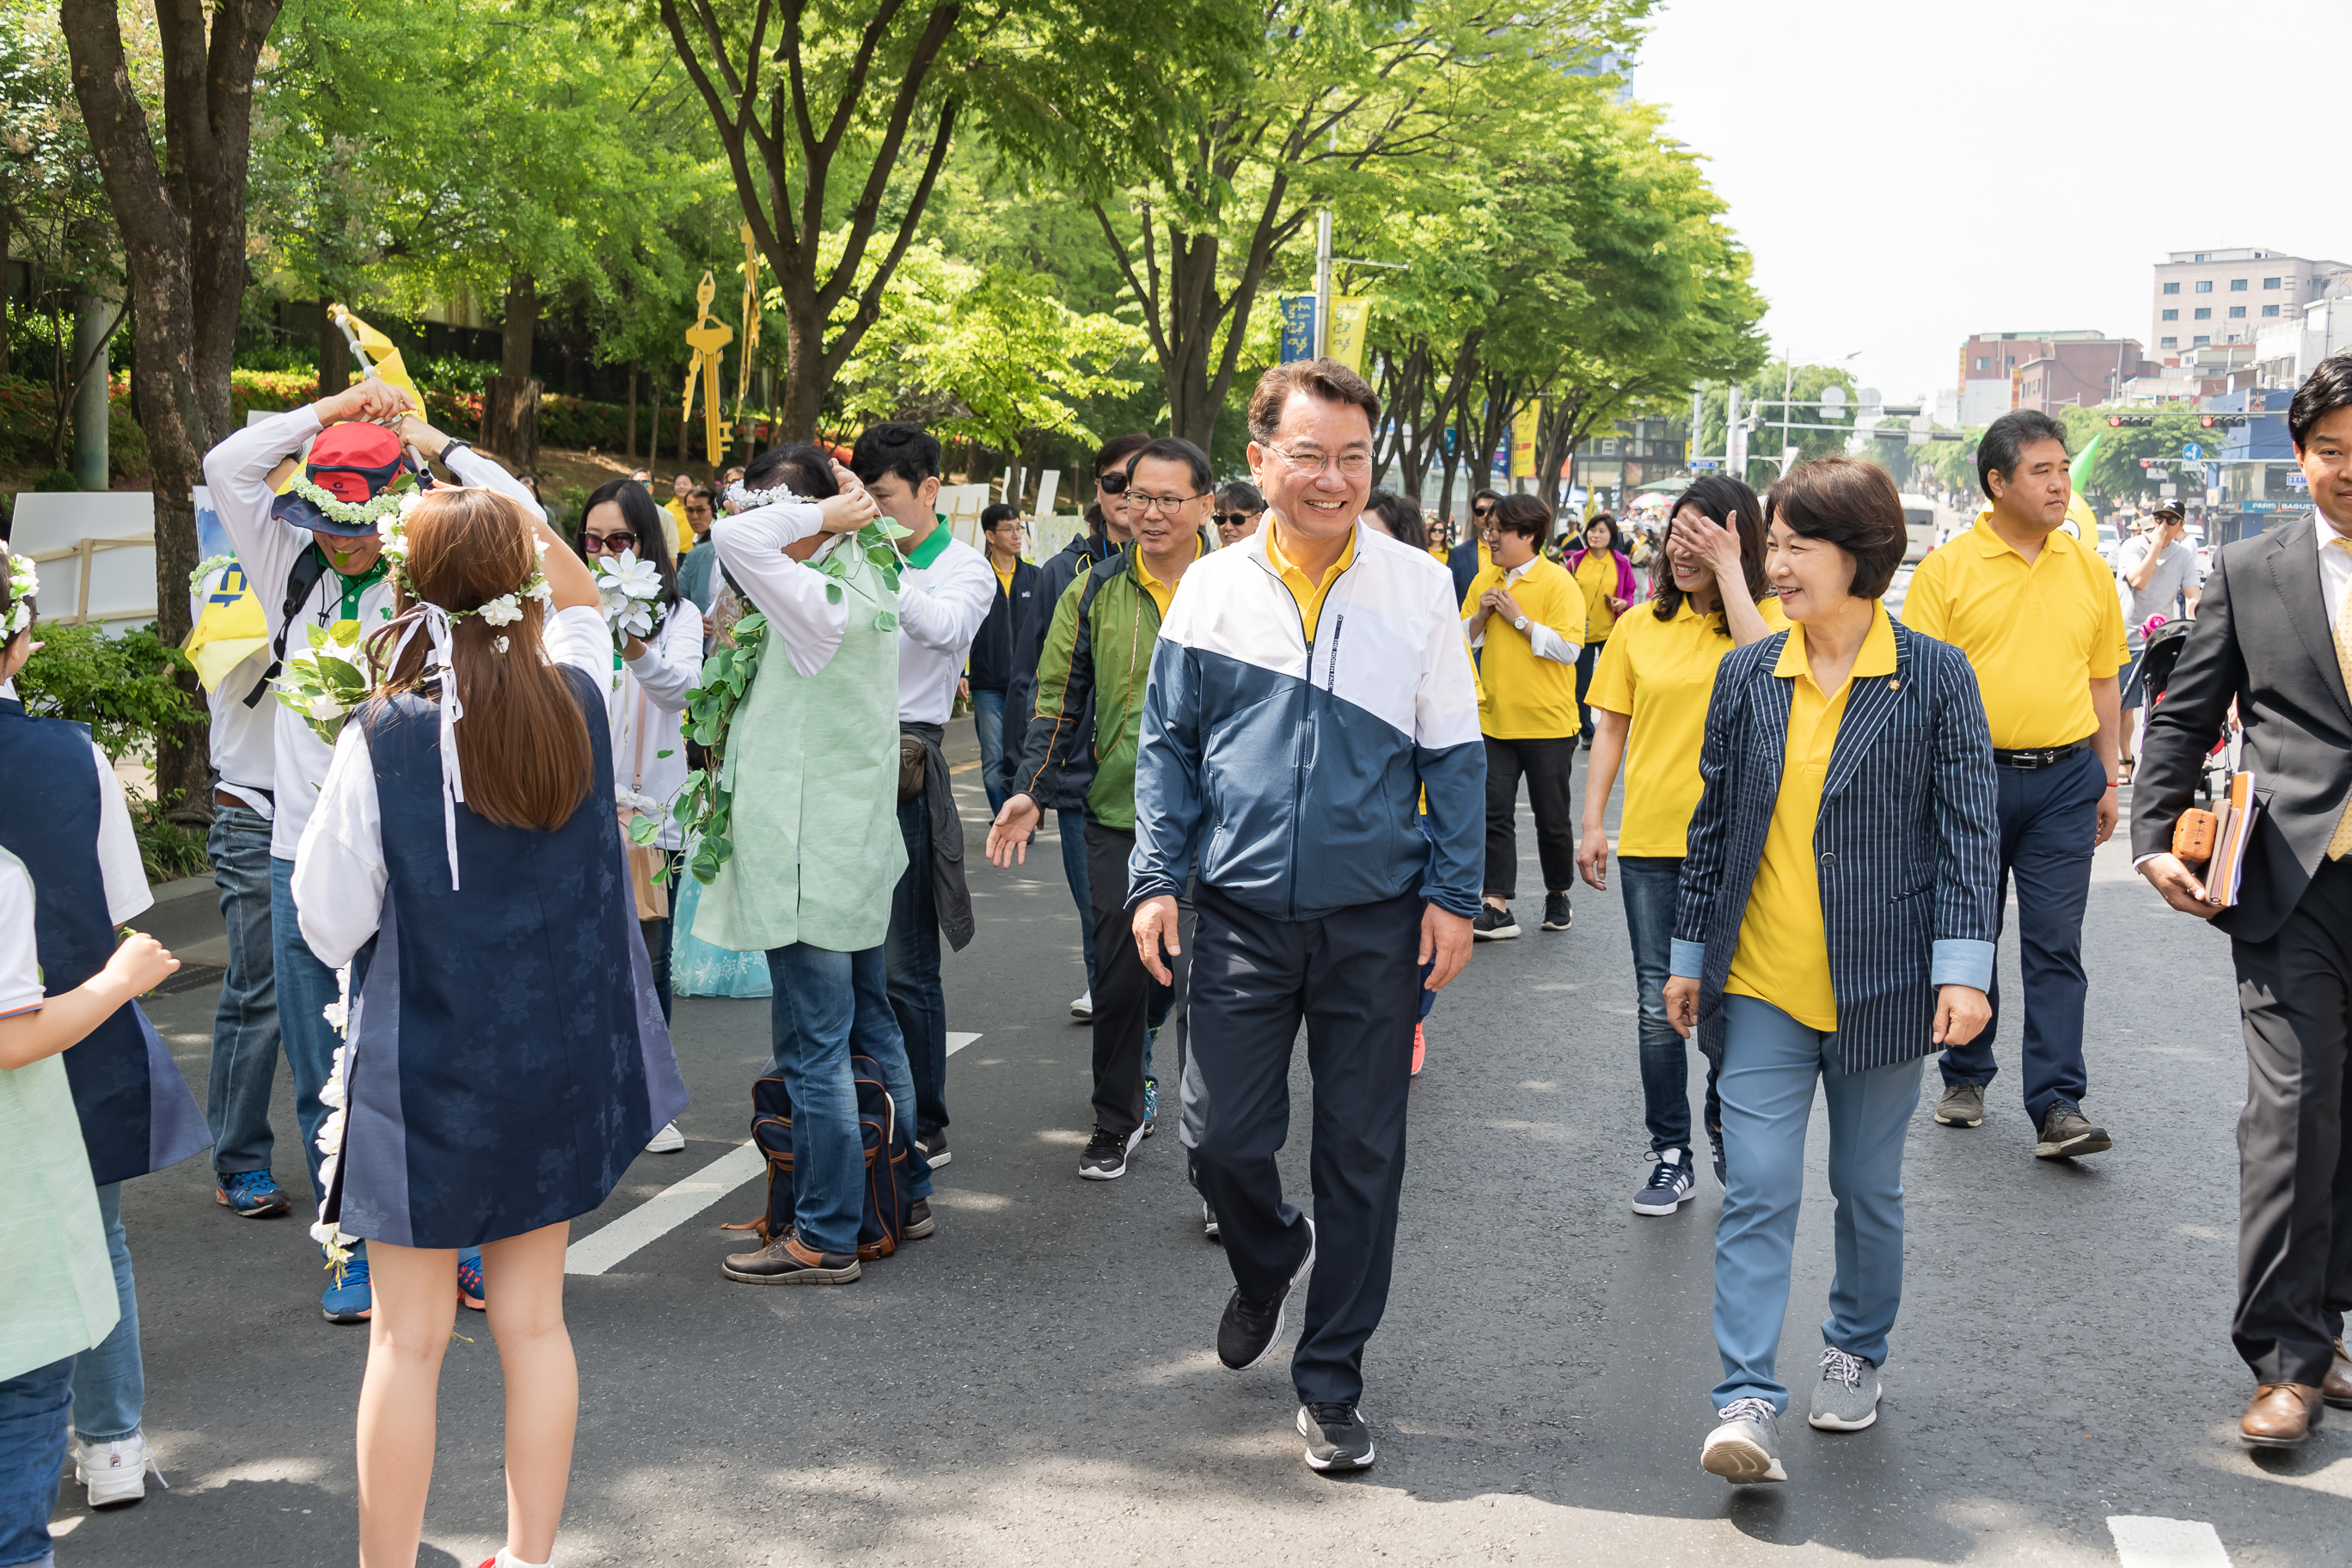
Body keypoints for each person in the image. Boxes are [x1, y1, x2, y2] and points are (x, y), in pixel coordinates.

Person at [289, 445, 688, 1568]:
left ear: (409, 588)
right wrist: (488, 489)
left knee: (406, 1344)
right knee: (535, 1324)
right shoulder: (581, 695)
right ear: (521, 580)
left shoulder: (383, 736)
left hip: (423, 1071)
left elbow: (328, 922)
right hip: (551, 1065)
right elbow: (579, 595)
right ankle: (527, 1557)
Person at [1129, 359, 1482, 1473]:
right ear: (1261, 459)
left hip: (1376, 919)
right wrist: (1155, 876)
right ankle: (1268, 1255)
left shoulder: (1419, 587)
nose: (1334, 479)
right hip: (1237, 912)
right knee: (1219, 1139)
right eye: (1310, 455)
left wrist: (1454, 894)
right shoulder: (1212, 587)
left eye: (1353, 458)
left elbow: (1455, 751)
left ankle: (1331, 1381)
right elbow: (1167, 747)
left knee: (1362, 1155)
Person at [1663, 455, 1998, 1485]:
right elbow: (1714, 827)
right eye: (1772, 545)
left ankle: (1855, 1350)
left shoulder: (1934, 676)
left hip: (1883, 984)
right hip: (1761, 981)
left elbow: (1969, 831)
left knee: (1864, 1187)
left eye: (1796, 546)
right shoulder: (1747, 675)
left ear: (1861, 553)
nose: (1776, 564)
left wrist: (1964, 969)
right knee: (1759, 1187)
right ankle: (1745, 1399)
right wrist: (1688, 955)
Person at [210, 385, 530, 1321]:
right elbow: (226, 465)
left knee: (436, 1053)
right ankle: (350, 1246)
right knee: (327, 1065)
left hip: (421, 853)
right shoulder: (285, 561)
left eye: (356, 528)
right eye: (326, 523)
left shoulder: (430, 568)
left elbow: (518, 517)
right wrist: (336, 407)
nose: (340, 543)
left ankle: (456, 1236)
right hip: (301, 853)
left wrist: (436, 444)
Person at [2133, 353, 2352, 1449]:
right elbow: (2184, 712)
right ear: (2299, 456)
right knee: (2295, 1112)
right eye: (2332, 451)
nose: (2350, 471)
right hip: (2293, 885)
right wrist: (2150, 836)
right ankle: (2286, 1362)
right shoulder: (2249, 569)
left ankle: (2327, 1323)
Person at [0, 543, 209, 1520]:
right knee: (93, 1238)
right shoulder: (69, 755)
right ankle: (113, 1443)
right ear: (21, 642)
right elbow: (121, 902)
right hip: (67, 1025)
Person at [695, 444, 937, 1284]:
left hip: (805, 853)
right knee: (871, 1026)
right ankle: (902, 1193)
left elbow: (732, 539)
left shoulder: (815, 598)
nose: (757, 524)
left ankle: (826, 1233)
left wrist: (826, 511)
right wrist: (836, 513)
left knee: (815, 1047)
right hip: (850, 847)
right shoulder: (867, 575)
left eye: (772, 511)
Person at [1902, 408, 2125, 1158]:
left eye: (2063, 469)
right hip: (1968, 780)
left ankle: (2058, 1104)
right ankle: (1966, 1074)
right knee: (1971, 930)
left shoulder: (2089, 569)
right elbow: (1918, 692)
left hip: (2065, 780)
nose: (2060, 483)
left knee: (2056, 942)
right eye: (2042, 471)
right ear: (1997, 482)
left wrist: (2108, 775)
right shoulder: (1947, 570)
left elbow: (2103, 681)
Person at [991, 438, 1210, 1182]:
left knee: (1210, 988)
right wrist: (1033, 787)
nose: (1150, 512)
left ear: (1205, 505)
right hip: (1121, 813)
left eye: (1169, 499)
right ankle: (1117, 1118)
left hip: (1223, 822)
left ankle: (1220, 1161)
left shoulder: (1241, 589)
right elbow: (1058, 699)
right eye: (1137, 495)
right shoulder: (1093, 591)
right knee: (1120, 979)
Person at [1577, 475, 1783, 1215]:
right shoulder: (1638, 625)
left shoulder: (1769, 619)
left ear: (1739, 542)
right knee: (1656, 1000)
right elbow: (1612, 727)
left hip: (1744, 844)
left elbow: (1775, 679)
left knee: (1731, 1000)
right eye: (1678, 535)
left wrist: (1732, 579)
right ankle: (1671, 1152)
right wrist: (1593, 823)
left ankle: (1725, 1127)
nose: (1684, 549)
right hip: (1655, 841)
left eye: (1705, 536)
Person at [0, 839, 179, 1563]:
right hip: (15, 1207)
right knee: (25, 1390)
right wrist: (119, 981)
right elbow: (12, 1037)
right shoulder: (3, 876)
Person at [854, 423, 994, 1170]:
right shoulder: (849, 551)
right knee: (844, 950)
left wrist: (875, 561)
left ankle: (924, 1119)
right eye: (864, 497)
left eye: (882, 498)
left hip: (908, 756)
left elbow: (944, 630)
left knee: (904, 960)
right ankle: (866, 1101)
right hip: (840, 749)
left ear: (929, 489)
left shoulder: (965, 568)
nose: (872, 512)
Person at [1005, 432, 1149, 1023]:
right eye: (1115, 482)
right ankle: (1120, 1040)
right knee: (1102, 921)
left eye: (1142, 485)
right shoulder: (1066, 572)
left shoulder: (1201, 573)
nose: (1128, 496)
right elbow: (1031, 680)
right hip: (1081, 781)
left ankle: (1150, 1021)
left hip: (1171, 782)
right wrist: (1027, 784)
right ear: (1098, 488)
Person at [579, 477, 701, 1156]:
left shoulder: (677, 616)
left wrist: (633, 645)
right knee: (579, 957)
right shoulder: (566, 610)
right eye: (592, 541)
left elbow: (683, 689)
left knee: (650, 959)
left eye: (619, 540)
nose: (603, 554)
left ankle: (651, 1101)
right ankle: (587, 1094)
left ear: (646, 545)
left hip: (653, 814)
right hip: (573, 809)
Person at [187, 552, 293, 1220]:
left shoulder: (360, 567)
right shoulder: (226, 576)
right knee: (261, 991)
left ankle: (352, 1159)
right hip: (252, 809)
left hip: (335, 806)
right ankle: (239, 1158)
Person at [1461, 494, 1583, 941]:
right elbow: (1460, 640)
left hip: (1548, 724)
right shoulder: (1485, 579)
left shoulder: (1558, 582)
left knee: (1552, 818)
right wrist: (1482, 614)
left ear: (1528, 535)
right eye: (1488, 529)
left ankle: (1558, 893)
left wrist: (1519, 620)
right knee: (1493, 814)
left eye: (1499, 531)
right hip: (1493, 721)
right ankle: (1496, 906)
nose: (1490, 538)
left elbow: (1569, 650)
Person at [2116, 502, 2200, 784]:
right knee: (2123, 708)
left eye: (2171, 520)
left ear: (2181, 525)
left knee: (2162, 705)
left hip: (2162, 640)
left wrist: (2195, 613)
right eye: (2159, 518)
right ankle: (2125, 759)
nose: (2164, 525)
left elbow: (2192, 594)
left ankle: (2157, 763)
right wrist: (2156, 546)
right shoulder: (2132, 547)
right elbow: (2138, 580)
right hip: (2127, 638)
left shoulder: (2183, 555)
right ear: (2151, 520)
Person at [965, 503, 1038, 818]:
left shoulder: (1035, 577)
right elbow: (963, 627)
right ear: (990, 536)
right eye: (1008, 529)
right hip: (987, 685)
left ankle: (1020, 816)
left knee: (1023, 756)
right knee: (994, 758)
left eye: (1019, 528)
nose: (1017, 535)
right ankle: (1003, 818)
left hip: (1027, 684)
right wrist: (961, 672)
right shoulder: (975, 578)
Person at [1565, 514, 1636, 744]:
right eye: (1592, 530)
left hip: (1610, 632)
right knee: (1582, 685)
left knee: (1613, 684)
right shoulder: (1575, 561)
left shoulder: (1621, 563)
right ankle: (1586, 731)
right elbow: (1563, 590)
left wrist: (1623, 603)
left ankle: (1611, 729)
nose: (1595, 535)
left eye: (1601, 531)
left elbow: (1630, 593)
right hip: (1580, 634)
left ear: (1612, 535)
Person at [1449, 489, 1500, 604]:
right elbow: (1451, 596)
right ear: (1473, 516)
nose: (1486, 515)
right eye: (1480, 511)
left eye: (1492, 510)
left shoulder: (1513, 552)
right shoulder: (1458, 554)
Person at [674, 485, 720, 611]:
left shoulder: (722, 545)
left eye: (700, 510)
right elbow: (679, 593)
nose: (694, 516)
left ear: (715, 511)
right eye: (690, 510)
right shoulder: (695, 552)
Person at [1215, 480, 1265, 547]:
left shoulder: (1271, 553)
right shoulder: (1207, 553)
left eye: (1236, 519)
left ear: (1258, 520)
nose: (1228, 527)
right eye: (1221, 519)